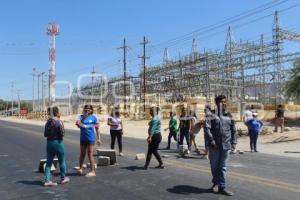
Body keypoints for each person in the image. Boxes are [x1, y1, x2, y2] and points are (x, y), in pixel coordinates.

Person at [204, 94, 237, 196]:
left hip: (226, 145)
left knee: (222, 167)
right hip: (215, 146)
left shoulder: (229, 115)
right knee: (214, 166)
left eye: (225, 102)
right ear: (216, 103)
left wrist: (234, 142)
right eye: (222, 102)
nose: (224, 103)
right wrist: (212, 141)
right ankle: (215, 183)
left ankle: (222, 187)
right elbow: (207, 129)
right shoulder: (210, 115)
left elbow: (233, 130)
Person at [43, 106, 70, 186]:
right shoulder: (60, 122)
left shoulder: (48, 122)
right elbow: (63, 134)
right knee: (61, 161)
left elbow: (45, 134)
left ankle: (47, 180)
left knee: (49, 162)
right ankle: (63, 178)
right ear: (57, 113)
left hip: (49, 143)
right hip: (58, 143)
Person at [75, 105, 101, 177]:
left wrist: (99, 138)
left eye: (89, 109)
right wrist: (84, 117)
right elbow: (78, 124)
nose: (87, 110)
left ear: (91, 110)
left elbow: (97, 128)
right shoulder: (80, 117)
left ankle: (92, 171)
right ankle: (80, 168)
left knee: (90, 154)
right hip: (83, 138)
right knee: (82, 154)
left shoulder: (94, 118)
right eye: (85, 109)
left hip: (91, 138)